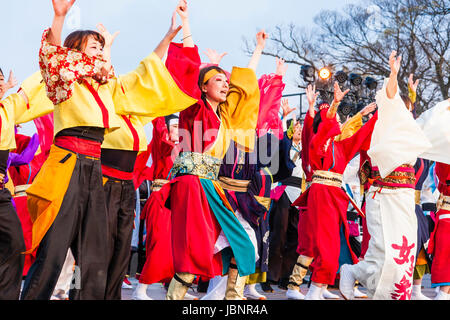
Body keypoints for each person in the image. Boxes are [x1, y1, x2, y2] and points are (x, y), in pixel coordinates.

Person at [21, 0, 195, 300]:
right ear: (75, 50)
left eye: (101, 47)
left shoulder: (107, 87)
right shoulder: (65, 82)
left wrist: (167, 39)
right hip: (67, 163)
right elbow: (52, 57)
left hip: (93, 168)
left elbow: (142, 76)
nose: (100, 51)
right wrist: (59, 17)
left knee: (96, 255)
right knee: (53, 250)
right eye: (93, 46)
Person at [163, 0, 264, 300]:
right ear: (204, 87)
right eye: (217, 80)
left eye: (225, 81)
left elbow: (245, 90)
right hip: (192, 184)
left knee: (243, 243)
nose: (225, 84)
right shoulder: (194, 110)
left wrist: (257, 50)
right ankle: (175, 298)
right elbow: (189, 73)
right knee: (193, 251)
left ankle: (232, 298)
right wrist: (187, 25)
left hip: (210, 186)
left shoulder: (225, 119)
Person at [339, 51, 433, 300]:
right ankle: (352, 271)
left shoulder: (408, 132)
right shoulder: (385, 122)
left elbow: (410, 110)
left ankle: (388, 293)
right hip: (383, 195)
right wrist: (394, 74)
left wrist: (410, 95)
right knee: (383, 251)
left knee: (405, 251)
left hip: (403, 198)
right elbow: (391, 95)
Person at [0, 67, 53, 300]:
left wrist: (49, 65)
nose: (1, 84)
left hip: (2, 192)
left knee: (15, 242)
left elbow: (28, 93)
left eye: (1, 80)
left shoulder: (8, 108)